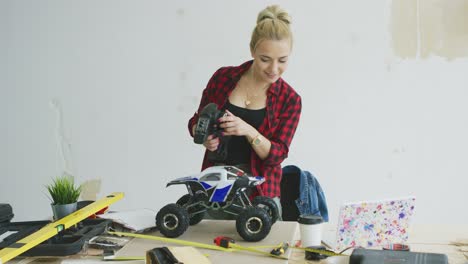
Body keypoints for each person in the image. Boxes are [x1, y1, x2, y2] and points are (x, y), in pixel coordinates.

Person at [188, 5, 301, 219]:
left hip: (259, 194)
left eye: (283, 60)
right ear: (252, 51)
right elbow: (196, 120)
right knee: (208, 250)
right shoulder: (222, 78)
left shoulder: (290, 100)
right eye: (265, 59)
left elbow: (277, 154)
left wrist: (248, 131)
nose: (274, 69)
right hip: (215, 188)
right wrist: (203, 136)